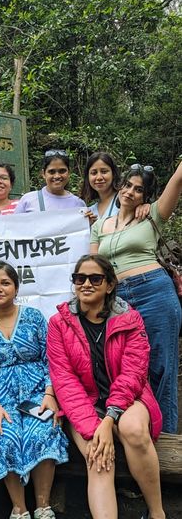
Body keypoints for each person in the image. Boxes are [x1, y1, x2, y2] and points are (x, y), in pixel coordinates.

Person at [47, 254, 164, 519]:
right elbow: (64, 381)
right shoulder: (59, 323)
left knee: (133, 430)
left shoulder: (130, 319)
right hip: (85, 403)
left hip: (127, 398)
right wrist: (94, 429)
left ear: (109, 285)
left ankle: (157, 513)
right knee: (96, 453)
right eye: (80, 278)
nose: (86, 284)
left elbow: (133, 374)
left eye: (95, 278)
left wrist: (109, 420)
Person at [0, 261, 68, 519]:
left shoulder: (34, 317)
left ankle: (43, 506)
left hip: (38, 394)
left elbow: (52, 359)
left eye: (5, 283)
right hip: (0, 400)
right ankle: (19, 509)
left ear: (16, 287)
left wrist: (50, 395)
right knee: (3, 434)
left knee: (44, 430)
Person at [90, 162, 182, 433]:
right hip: (117, 300)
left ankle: (166, 438)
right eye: (127, 185)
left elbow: (178, 177)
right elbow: (94, 266)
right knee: (125, 368)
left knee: (162, 367)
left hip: (154, 292)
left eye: (138, 190)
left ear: (146, 196)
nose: (130, 192)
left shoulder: (153, 214)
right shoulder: (99, 225)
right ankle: (134, 431)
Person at [15, 149, 86, 213]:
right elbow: (16, 225)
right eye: (52, 172)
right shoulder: (28, 200)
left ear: (69, 173)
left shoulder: (78, 204)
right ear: (43, 174)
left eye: (62, 171)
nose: (57, 176)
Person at [80, 152, 120, 222]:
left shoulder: (124, 200)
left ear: (113, 174)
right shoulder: (89, 212)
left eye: (104, 172)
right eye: (94, 173)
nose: (99, 177)